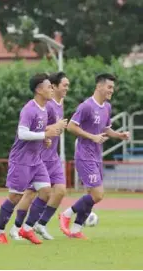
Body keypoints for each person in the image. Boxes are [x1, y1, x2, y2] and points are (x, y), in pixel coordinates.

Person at [0, 73, 64, 245]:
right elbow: (22, 133)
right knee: (15, 197)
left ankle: (27, 228)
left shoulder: (46, 109)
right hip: (21, 160)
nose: (52, 89)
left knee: (46, 192)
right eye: (49, 87)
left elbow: (40, 131)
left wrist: (44, 138)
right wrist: (45, 134)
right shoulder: (29, 109)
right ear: (39, 89)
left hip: (36, 160)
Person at [60, 73, 129, 239]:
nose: (111, 90)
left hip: (97, 156)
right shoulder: (86, 106)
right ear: (99, 86)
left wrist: (119, 135)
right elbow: (71, 126)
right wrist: (92, 137)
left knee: (92, 195)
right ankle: (66, 214)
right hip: (84, 155)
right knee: (98, 194)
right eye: (109, 87)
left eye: (112, 87)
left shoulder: (107, 107)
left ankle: (76, 230)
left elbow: (105, 129)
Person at [9, 72, 70, 241]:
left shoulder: (59, 103)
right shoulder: (47, 105)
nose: (67, 88)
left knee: (60, 191)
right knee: (30, 193)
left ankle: (39, 224)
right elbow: (41, 127)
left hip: (53, 156)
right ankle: (16, 227)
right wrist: (53, 128)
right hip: (41, 156)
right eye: (64, 85)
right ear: (54, 86)